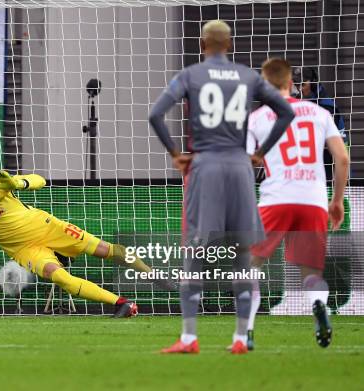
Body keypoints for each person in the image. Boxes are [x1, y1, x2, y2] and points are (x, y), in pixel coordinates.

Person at [148, 20, 295, 354]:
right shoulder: (249, 76)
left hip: (207, 166)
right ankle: (241, 338)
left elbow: (156, 114)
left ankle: (189, 337)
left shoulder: (190, 75)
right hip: (241, 168)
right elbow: (285, 112)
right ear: (229, 44)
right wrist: (260, 152)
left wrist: (175, 154)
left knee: (196, 252)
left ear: (203, 44)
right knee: (243, 253)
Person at [0, 155, 153, 317]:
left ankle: (154, 276)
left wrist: (16, 184)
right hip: (25, 250)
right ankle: (122, 304)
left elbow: (39, 179)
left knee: (107, 251)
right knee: (60, 277)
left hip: (47, 226)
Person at [247, 58, 349, 349]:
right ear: (292, 83)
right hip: (313, 200)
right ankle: (320, 306)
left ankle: (248, 330)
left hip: (275, 199)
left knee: (250, 266)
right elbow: (342, 158)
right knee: (310, 273)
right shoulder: (319, 112)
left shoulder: (257, 119)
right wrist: (337, 200)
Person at [294, 66, 348, 180]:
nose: (299, 89)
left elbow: (340, 145)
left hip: (323, 166)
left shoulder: (327, 107)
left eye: (302, 84)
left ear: (313, 83)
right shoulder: (292, 103)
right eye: (296, 84)